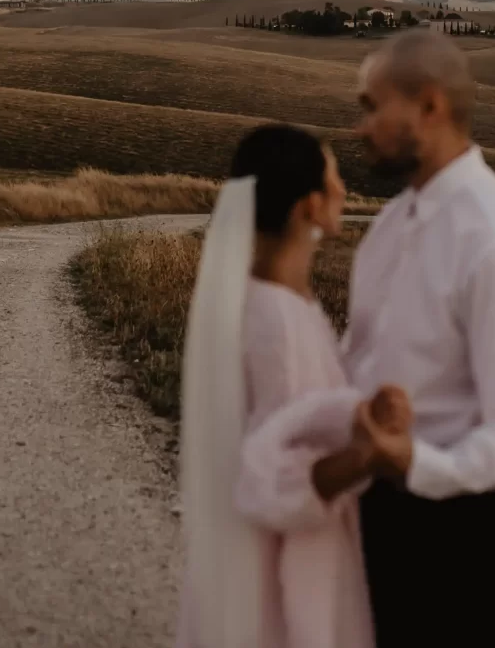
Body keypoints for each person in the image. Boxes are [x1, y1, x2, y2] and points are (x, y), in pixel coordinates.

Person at [344, 30, 495, 648]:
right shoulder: (390, 224)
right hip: (368, 513)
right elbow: (356, 358)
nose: (362, 128)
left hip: (453, 539)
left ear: (430, 107)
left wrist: (418, 465)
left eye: (371, 106)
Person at [176, 124, 411, 648]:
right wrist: (366, 456)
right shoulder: (276, 320)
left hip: (289, 548)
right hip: (283, 570)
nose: (345, 191)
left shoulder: (285, 304)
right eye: (334, 179)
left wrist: (359, 411)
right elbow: (270, 477)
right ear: (308, 206)